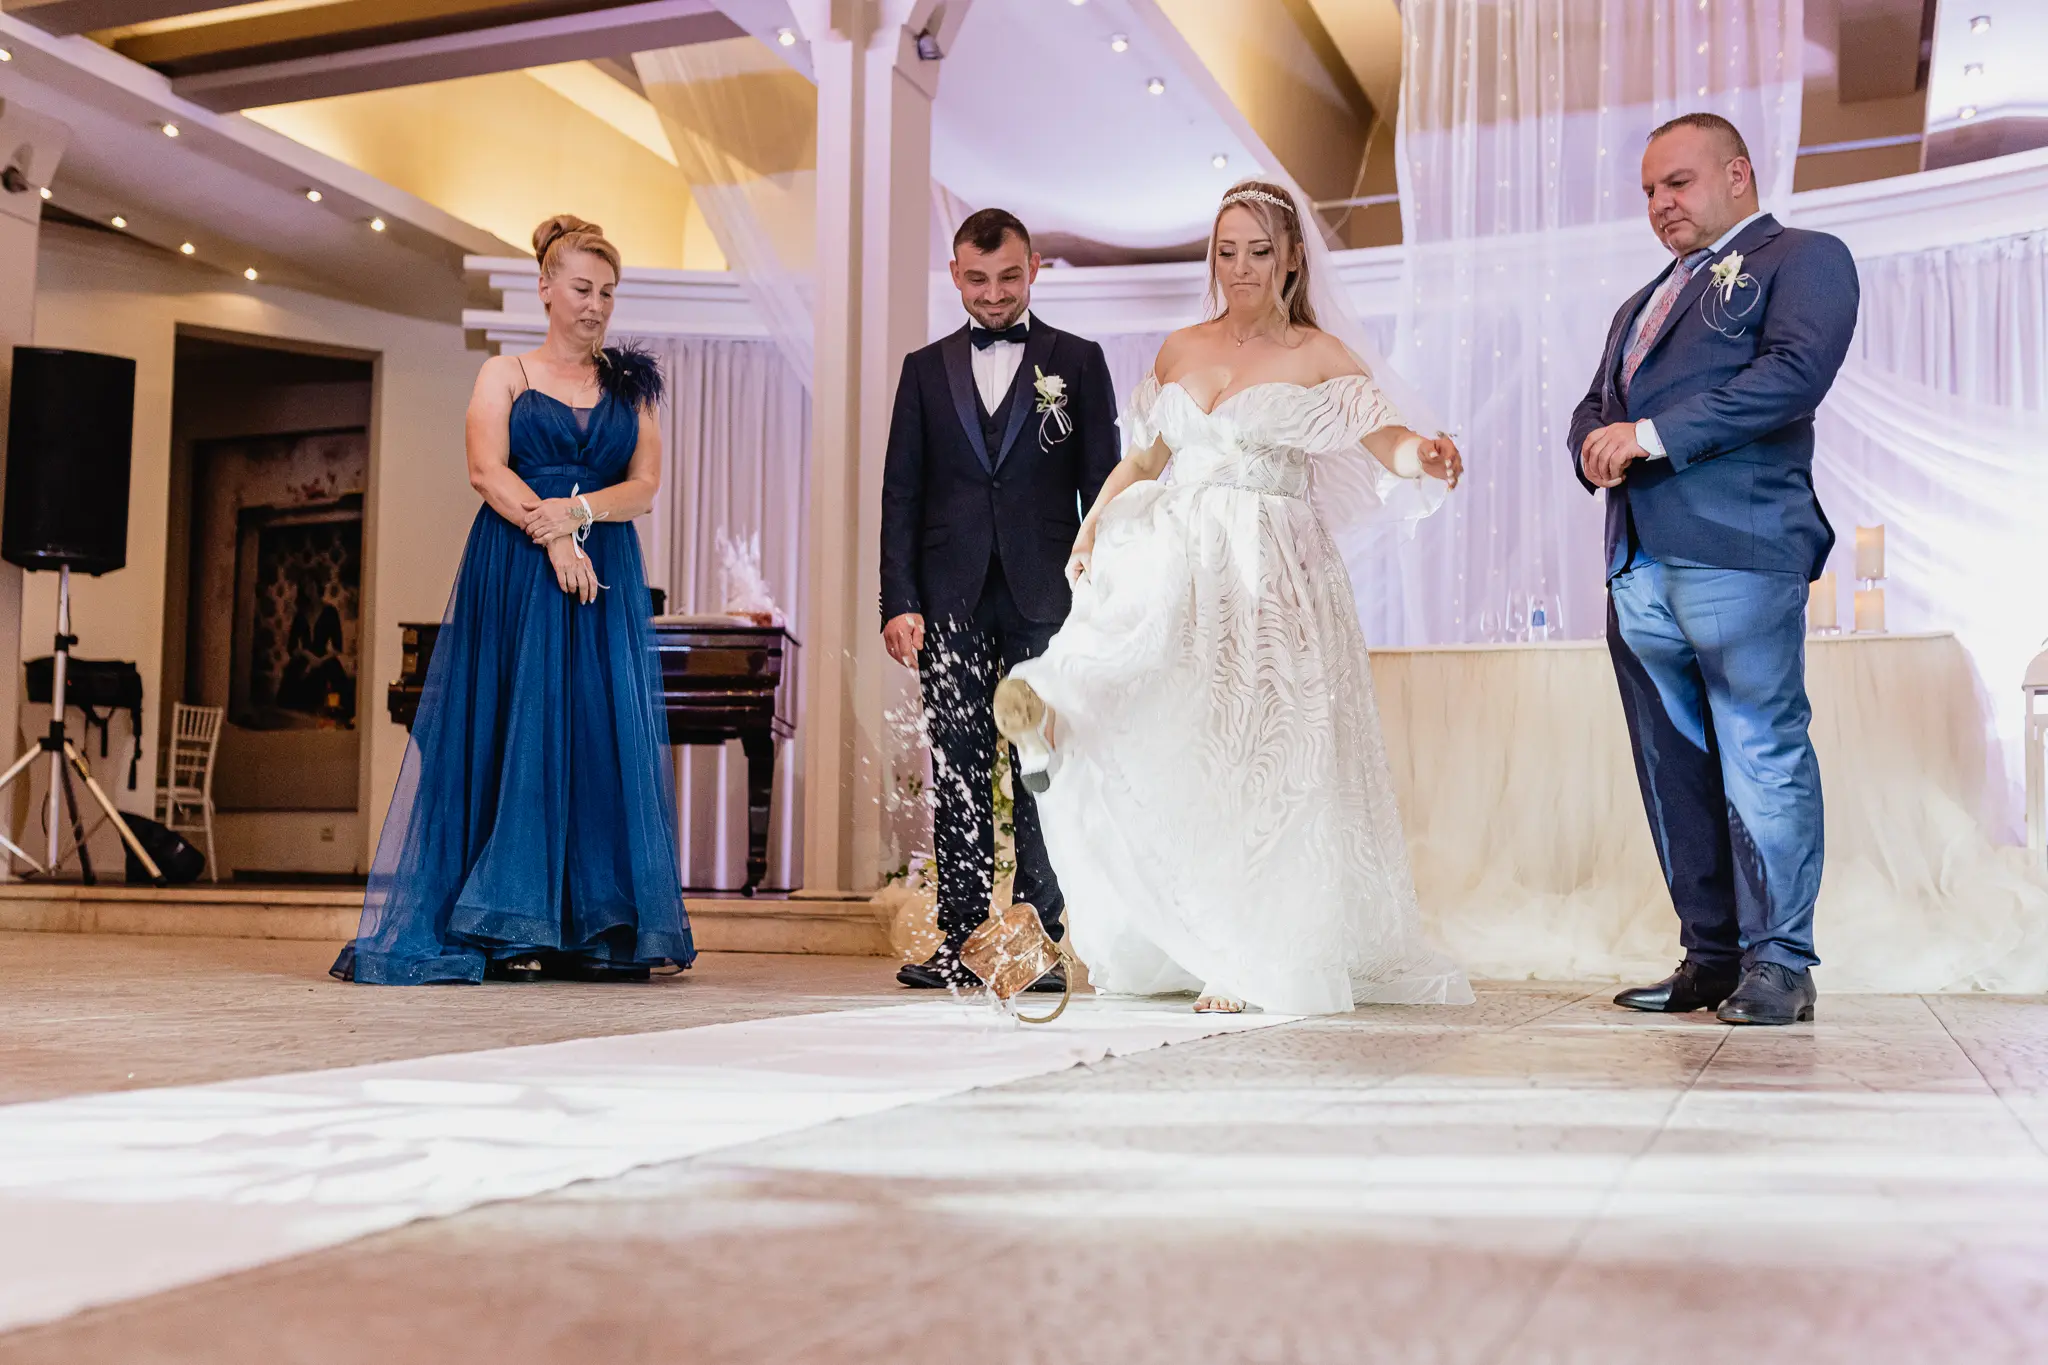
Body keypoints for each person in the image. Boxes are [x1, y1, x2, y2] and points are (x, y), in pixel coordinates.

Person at [992, 182, 1473, 1016]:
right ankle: (1054, 724)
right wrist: (1093, 523)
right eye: (1226, 251)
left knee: (1258, 752)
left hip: (1271, 574)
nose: (1241, 267)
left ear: (1291, 259)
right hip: (1182, 561)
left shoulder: (1318, 353)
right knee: (1174, 722)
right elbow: (1144, 461)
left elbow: (1387, 441)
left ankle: (1250, 949)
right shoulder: (1180, 348)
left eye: (1259, 250)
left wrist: (1424, 456)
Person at [332, 215, 693, 985]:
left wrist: (579, 515)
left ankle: (598, 926)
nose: (596, 305)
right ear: (546, 289)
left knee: (595, 736)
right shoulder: (505, 373)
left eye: (608, 292)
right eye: (583, 288)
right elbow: (485, 470)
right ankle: (506, 921)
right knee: (519, 729)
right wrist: (553, 536)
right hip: (520, 569)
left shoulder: (631, 388)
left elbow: (644, 486)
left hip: (604, 576)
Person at [1570, 114, 1858, 1026]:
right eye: (1649, 191)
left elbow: (1794, 374)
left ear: (1738, 175)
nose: (1660, 204)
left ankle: (1782, 962)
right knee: (1672, 766)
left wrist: (1650, 436)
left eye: (1678, 183)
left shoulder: (1802, 257)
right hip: (1637, 557)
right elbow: (1595, 405)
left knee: (1761, 750)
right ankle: (1712, 956)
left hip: (1740, 545)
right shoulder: (1639, 303)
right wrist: (1592, 444)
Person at [879, 208, 1120, 991]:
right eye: (977, 279)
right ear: (955, 274)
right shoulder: (924, 369)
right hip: (946, 600)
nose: (993, 294)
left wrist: (1104, 596)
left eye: (1009, 277)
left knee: (1039, 767)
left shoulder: (1077, 362)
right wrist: (898, 600)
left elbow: (1105, 490)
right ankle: (959, 941)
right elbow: (901, 492)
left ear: (1034, 268)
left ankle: (1034, 945)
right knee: (956, 769)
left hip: (1047, 599)